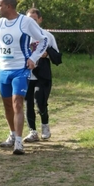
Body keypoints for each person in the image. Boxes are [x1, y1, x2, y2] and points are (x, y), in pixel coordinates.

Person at [0, 0, 48, 155]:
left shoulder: (25, 21)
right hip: (4, 69)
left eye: (0, 5)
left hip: (21, 69)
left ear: (9, 6)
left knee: (17, 102)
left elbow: (43, 40)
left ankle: (19, 142)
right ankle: (11, 135)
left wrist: (33, 58)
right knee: (7, 105)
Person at [23, 8, 59, 142]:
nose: (31, 22)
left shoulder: (47, 36)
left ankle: (45, 125)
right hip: (26, 75)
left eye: (33, 19)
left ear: (39, 20)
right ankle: (32, 131)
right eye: (28, 20)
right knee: (28, 104)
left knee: (40, 101)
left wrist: (47, 53)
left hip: (42, 76)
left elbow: (58, 58)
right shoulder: (22, 35)